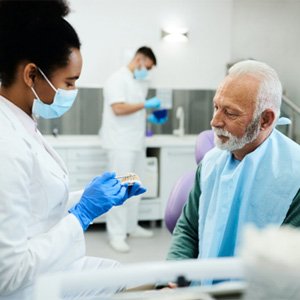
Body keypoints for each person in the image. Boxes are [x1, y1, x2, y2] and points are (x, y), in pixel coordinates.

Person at [0, 1, 146, 299]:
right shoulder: (6, 142)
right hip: (27, 288)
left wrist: (90, 198)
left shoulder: (21, 122)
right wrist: (81, 214)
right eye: (69, 82)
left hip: (48, 269)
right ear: (31, 75)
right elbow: (8, 274)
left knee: (130, 276)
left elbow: (35, 205)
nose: (72, 92)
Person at [167, 60, 300, 283]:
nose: (215, 121)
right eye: (216, 106)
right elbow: (188, 229)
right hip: (203, 288)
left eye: (230, 113)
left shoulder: (293, 176)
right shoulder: (211, 163)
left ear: (265, 120)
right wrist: (172, 278)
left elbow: (286, 269)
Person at [100, 46, 167, 252]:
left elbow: (134, 110)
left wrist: (149, 116)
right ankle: (117, 235)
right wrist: (145, 105)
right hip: (120, 143)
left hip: (135, 142)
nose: (146, 72)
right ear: (139, 59)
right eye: (146, 67)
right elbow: (118, 109)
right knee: (120, 188)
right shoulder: (116, 79)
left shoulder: (135, 82)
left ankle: (131, 226)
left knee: (135, 187)